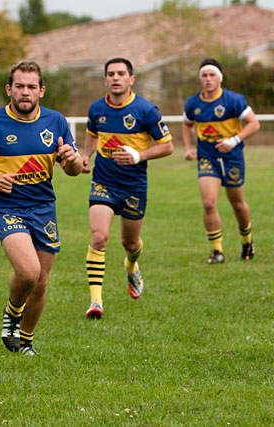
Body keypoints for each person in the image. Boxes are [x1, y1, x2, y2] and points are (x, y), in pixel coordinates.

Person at [0, 60, 82, 355]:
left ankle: (24, 341)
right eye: (19, 86)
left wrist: (72, 158)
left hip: (43, 208)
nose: (25, 92)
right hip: (7, 208)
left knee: (41, 282)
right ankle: (12, 312)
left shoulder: (55, 122)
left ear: (41, 91)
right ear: (9, 89)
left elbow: (75, 169)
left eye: (31, 87)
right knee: (29, 272)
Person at [81, 57, 173, 320]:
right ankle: (95, 301)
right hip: (103, 181)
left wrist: (139, 156)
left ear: (131, 79)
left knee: (129, 242)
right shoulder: (96, 108)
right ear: (105, 79)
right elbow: (92, 133)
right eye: (111, 74)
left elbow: (167, 146)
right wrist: (86, 154)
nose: (115, 77)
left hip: (134, 185)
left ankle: (131, 263)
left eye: (121, 73)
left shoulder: (146, 110)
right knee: (99, 237)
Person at [182, 58, 260, 264]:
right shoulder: (193, 103)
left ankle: (247, 241)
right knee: (208, 203)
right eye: (204, 76)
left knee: (237, 204)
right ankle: (217, 251)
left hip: (232, 158)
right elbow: (187, 124)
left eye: (212, 75)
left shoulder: (233, 100)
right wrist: (189, 148)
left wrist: (233, 141)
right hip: (207, 157)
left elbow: (253, 124)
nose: (208, 79)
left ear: (220, 78)